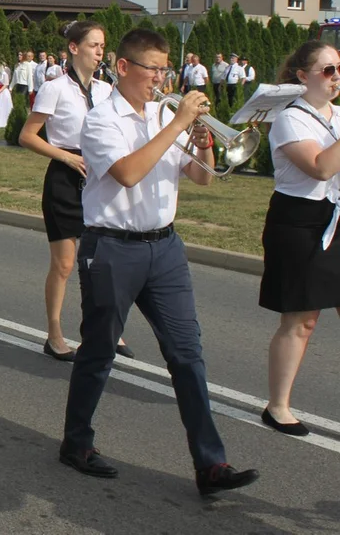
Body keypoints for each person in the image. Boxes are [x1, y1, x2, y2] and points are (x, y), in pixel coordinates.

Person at [59, 28, 259, 497]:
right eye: (153, 69)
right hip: (112, 247)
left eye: (165, 69)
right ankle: (76, 441)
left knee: (187, 354)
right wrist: (176, 124)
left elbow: (201, 179)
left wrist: (203, 138)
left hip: (165, 248)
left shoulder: (163, 114)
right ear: (125, 67)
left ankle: (211, 465)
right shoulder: (102, 119)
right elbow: (128, 173)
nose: (160, 80)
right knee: (99, 350)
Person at [19, 21, 133, 362]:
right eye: (94, 46)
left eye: (102, 46)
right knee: (65, 264)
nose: (100, 53)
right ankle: (54, 334)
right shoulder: (55, 87)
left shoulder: (105, 89)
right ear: (73, 48)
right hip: (65, 178)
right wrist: (66, 156)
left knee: (102, 261)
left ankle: (105, 330)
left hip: (99, 177)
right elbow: (28, 136)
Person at [258, 40, 340, 437]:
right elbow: (320, 168)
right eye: (327, 70)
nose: (336, 76)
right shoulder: (291, 119)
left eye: (338, 68)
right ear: (302, 76)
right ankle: (278, 405)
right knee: (302, 320)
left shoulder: (337, 115)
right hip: (300, 223)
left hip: (337, 219)